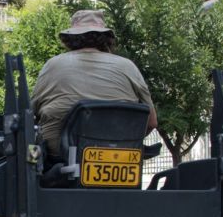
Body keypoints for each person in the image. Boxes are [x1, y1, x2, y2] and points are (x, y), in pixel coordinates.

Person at [31, 9, 158, 159]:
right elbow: (151, 122)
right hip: (118, 159)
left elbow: (30, 114)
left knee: (29, 151)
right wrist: (124, 143)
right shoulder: (128, 66)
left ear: (70, 39)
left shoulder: (52, 65)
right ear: (106, 39)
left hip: (58, 159)